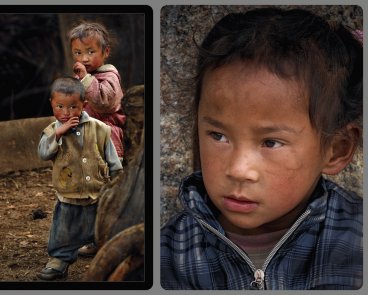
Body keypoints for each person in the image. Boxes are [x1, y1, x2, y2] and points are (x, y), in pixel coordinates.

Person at [160, 7, 363, 290]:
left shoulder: (356, 240)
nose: (239, 170)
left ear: (336, 149)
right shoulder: (170, 254)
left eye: (270, 142)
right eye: (218, 136)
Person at [37, 77, 123, 280]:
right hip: (69, 194)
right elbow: (42, 153)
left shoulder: (100, 128)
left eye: (73, 107)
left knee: (102, 227)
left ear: (84, 105)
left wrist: (117, 181)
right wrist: (59, 134)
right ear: (52, 104)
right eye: (60, 106)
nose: (66, 113)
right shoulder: (52, 132)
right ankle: (59, 261)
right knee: (64, 230)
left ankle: (109, 259)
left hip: (98, 192)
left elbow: (112, 159)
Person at [69, 21, 126, 257]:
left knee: (103, 194)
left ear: (106, 52)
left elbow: (105, 102)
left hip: (107, 143)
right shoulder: (86, 77)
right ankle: (87, 235)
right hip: (87, 144)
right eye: (78, 53)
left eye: (90, 52)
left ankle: (104, 237)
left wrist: (85, 82)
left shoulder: (108, 76)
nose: (84, 58)